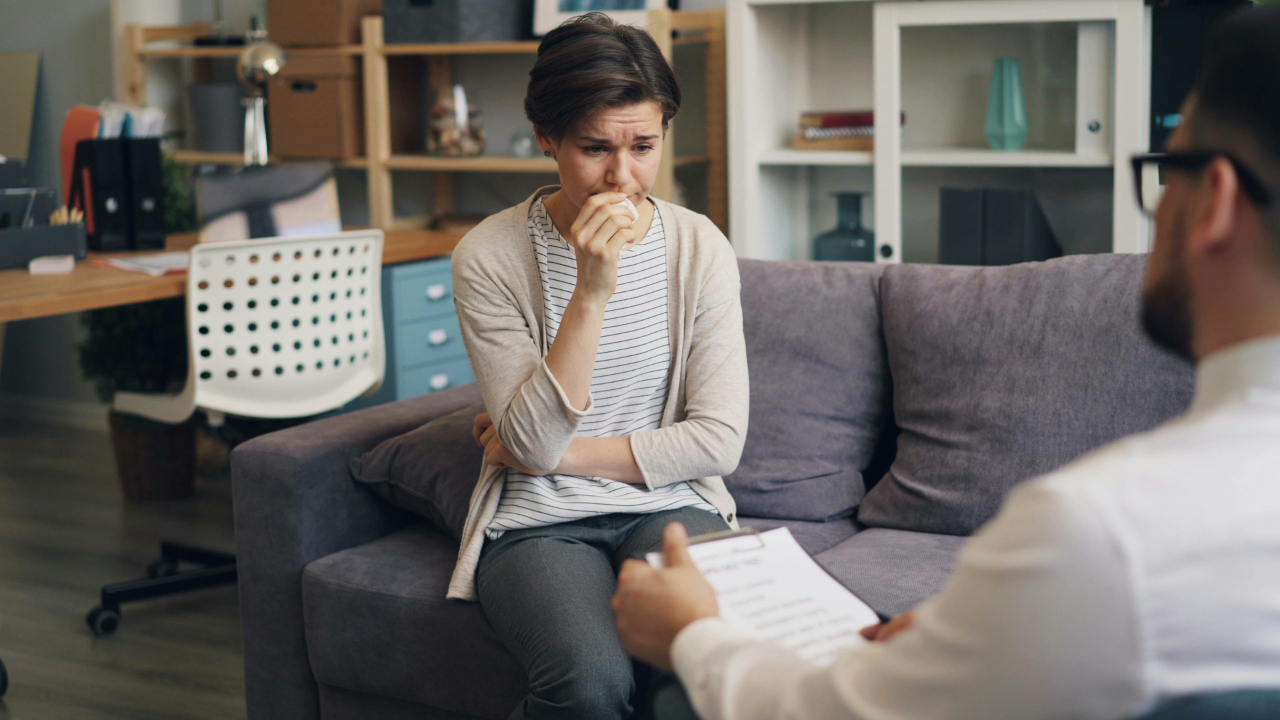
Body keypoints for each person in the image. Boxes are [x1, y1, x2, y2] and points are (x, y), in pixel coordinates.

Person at [611, 5, 1280, 719]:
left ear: (1215, 201)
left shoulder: (1096, 532)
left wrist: (694, 632)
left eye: (1168, 167)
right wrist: (977, 640)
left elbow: (827, 711)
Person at [447, 12, 749, 720]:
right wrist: (591, 289)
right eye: (593, 148)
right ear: (547, 138)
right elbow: (528, 449)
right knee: (589, 683)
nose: (623, 176)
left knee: (700, 671)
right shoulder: (488, 258)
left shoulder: (699, 249)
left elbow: (717, 442)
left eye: (644, 146)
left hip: (674, 504)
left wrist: (552, 455)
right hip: (538, 526)